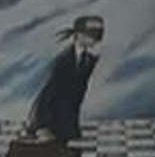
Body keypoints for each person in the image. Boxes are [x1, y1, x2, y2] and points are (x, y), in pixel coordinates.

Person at [25, 14, 106, 145]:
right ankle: (41, 126)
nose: (95, 41)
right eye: (91, 36)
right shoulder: (63, 59)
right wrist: (41, 126)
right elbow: (49, 93)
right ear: (79, 35)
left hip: (68, 120)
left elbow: (78, 93)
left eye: (97, 37)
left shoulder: (89, 59)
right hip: (48, 117)